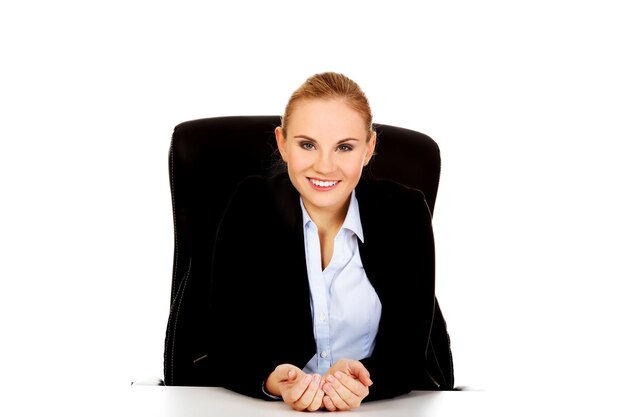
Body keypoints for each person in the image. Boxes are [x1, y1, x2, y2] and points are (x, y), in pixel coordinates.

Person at [208, 72, 454, 411]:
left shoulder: (405, 213)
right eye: (307, 145)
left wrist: (366, 380)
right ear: (282, 143)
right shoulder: (251, 206)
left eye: (344, 147)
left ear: (369, 148)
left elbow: (411, 353)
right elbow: (223, 342)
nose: (324, 166)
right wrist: (269, 381)